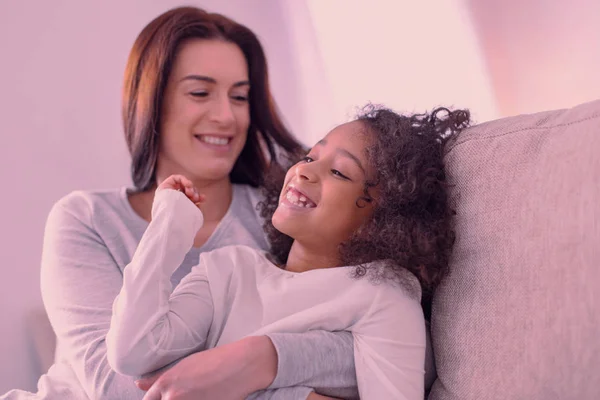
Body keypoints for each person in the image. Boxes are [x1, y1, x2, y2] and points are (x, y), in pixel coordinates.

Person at [0, 6, 361, 400]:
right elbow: (121, 390)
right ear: (151, 101)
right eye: (200, 93)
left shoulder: (287, 220)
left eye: (239, 97)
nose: (226, 116)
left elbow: (377, 348)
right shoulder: (86, 220)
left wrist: (266, 357)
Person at [105, 105, 470, 399]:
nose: (304, 173)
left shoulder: (382, 295)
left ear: (382, 219)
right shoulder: (229, 269)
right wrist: (169, 226)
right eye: (311, 157)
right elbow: (132, 351)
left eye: (340, 173)